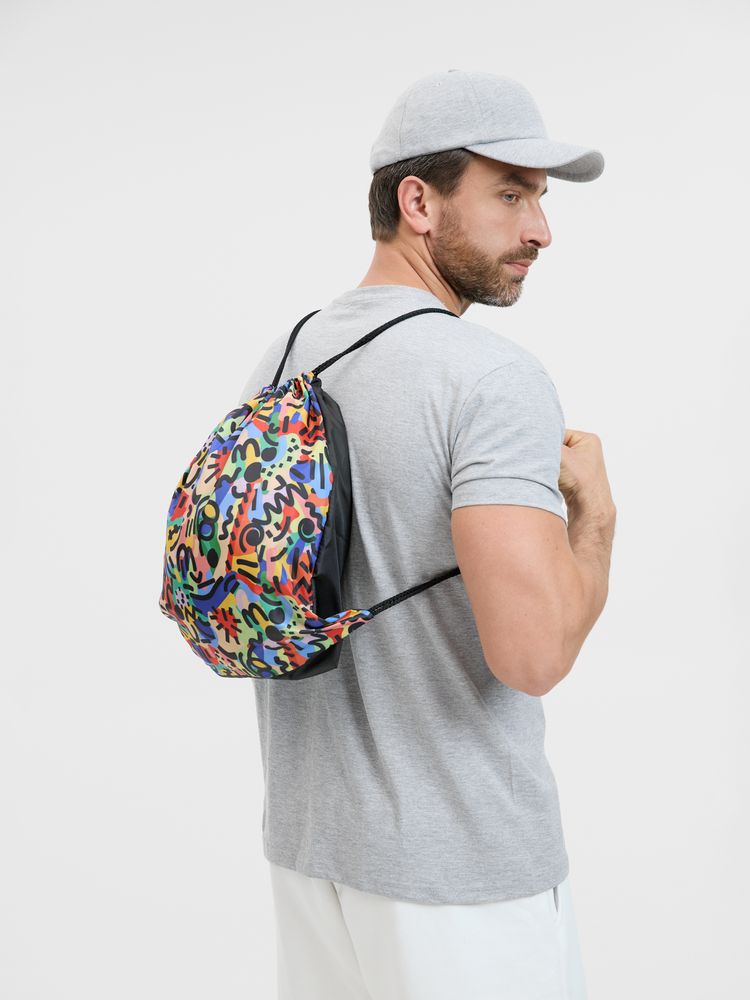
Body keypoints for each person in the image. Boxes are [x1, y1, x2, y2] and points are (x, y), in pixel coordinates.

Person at [238, 69, 617, 1000]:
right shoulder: (489, 379)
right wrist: (596, 520)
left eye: (540, 198)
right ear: (418, 202)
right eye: (510, 194)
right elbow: (532, 655)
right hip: (462, 878)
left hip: (314, 858)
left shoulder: (288, 357)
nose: (541, 229)